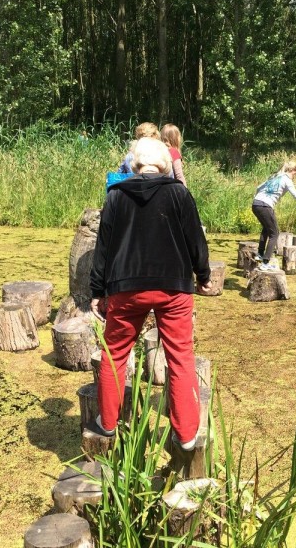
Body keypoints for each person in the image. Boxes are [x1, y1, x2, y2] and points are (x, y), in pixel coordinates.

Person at [90, 137, 211, 451]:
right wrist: (204, 275)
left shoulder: (115, 196)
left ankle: (106, 423)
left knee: (114, 353)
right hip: (173, 288)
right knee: (181, 357)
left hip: (125, 288)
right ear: (166, 164)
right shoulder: (179, 193)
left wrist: (96, 290)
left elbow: (102, 247)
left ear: (133, 164)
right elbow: (196, 240)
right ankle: (186, 435)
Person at [252, 161, 296, 271]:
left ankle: (259, 254)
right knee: (275, 233)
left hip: (256, 204)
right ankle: (265, 262)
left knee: (266, 228)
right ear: (292, 171)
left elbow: (259, 187)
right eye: (295, 174)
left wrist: (258, 197)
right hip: (265, 206)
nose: (295, 176)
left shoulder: (275, 176)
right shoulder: (287, 180)